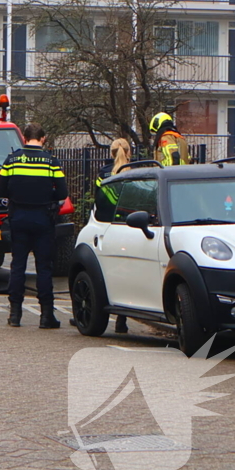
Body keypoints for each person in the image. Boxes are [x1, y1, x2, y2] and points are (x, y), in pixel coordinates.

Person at [0, 123, 68, 329]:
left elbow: (1, 190)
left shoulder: (12, 160)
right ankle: (46, 316)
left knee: (18, 265)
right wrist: (47, 196)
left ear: (25, 138)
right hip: (43, 218)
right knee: (44, 267)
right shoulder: (51, 162)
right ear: (43, 138)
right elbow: (62, 193)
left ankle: (15, 314)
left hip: (18, 217)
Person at [96, 138, 131, 334]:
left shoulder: (103, 173)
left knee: (103, 271)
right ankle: (122, 319)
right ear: (129, 152)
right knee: (125, 272)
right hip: (129, 228)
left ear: (111, 153)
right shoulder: (134, 172)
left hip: (107, 228)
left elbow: (99, 199)